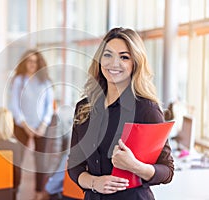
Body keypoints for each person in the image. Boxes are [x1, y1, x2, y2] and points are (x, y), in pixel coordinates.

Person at [67, 27, 174, 200]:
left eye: (124, 57)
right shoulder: (84, 107)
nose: (114, 63)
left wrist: (135, 166)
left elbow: (167, 170)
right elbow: (74, 166)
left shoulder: (147, 109)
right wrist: (95, 182)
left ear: (135, 64)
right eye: (108, 54)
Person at [10, 49, 54, 200]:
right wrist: (24, 124)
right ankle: (14, 191)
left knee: (40, 161)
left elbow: (49, 107)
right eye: (29, 61)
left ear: (39, 63)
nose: (32, 64)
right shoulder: (18, 80)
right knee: (17, 160)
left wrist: (43, 125)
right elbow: (14, 104)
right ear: (25, 63)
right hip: (21, 126)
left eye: (35, 61)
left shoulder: (45, 82)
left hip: (41, 126)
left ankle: (38, 192)